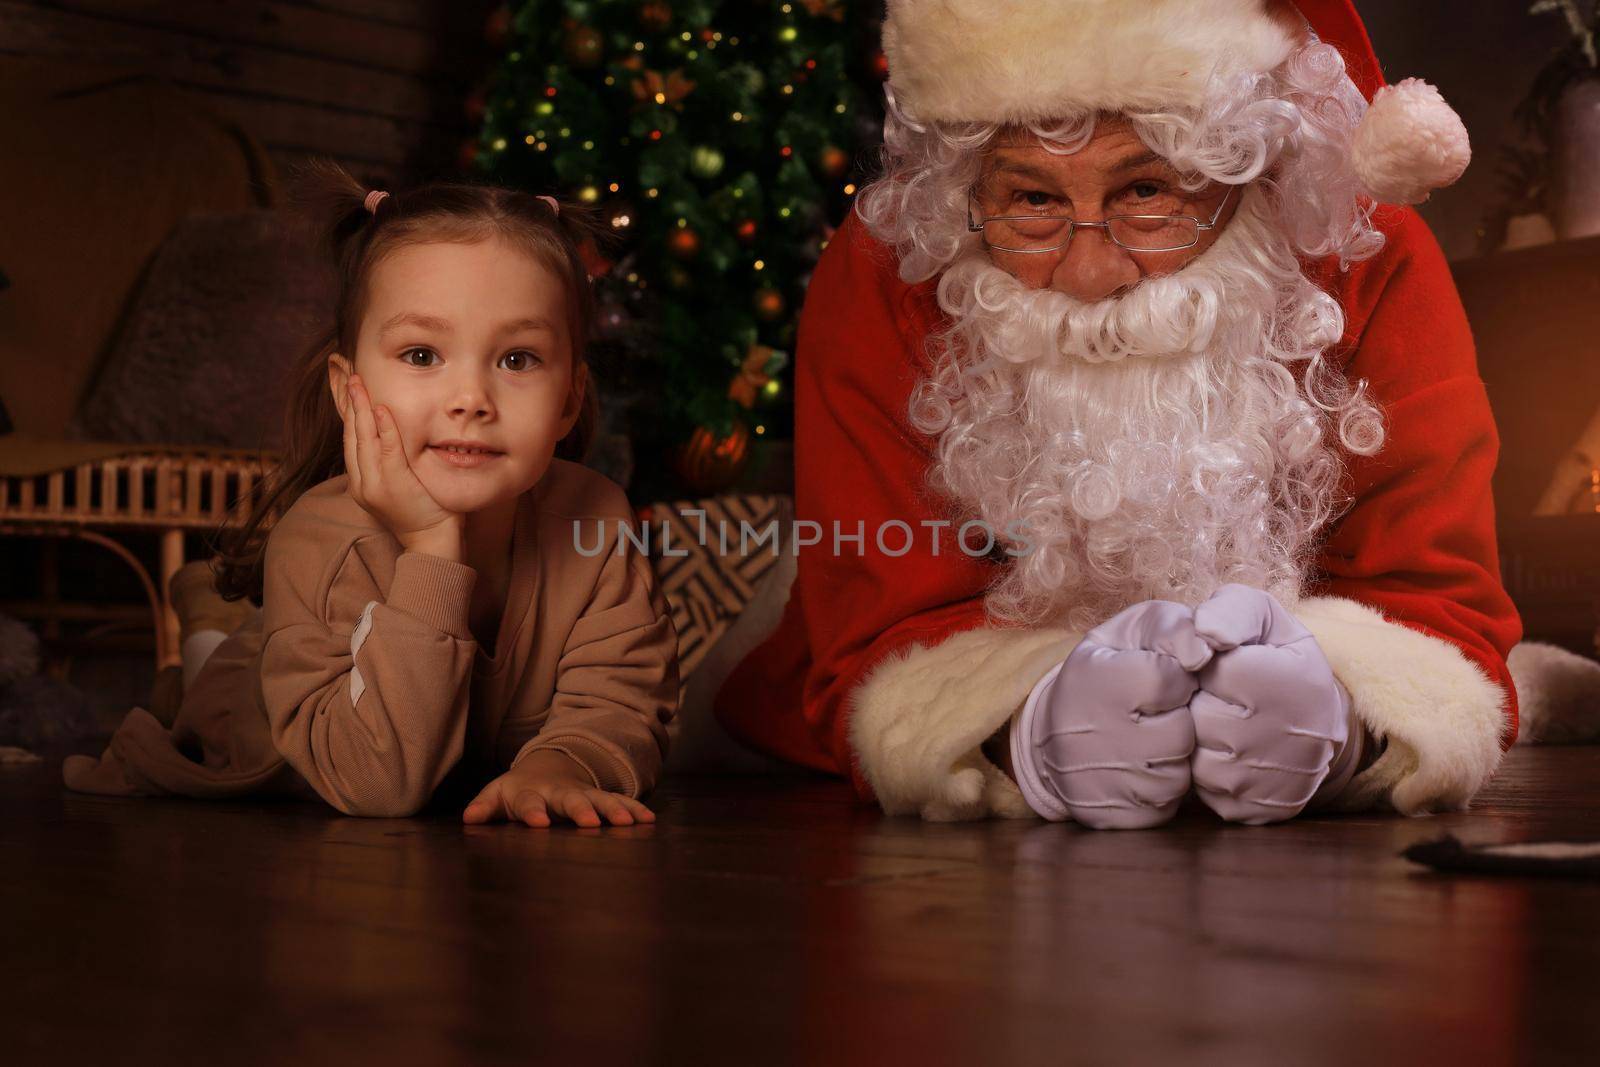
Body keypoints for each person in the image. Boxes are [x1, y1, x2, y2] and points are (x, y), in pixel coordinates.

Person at [716, 0, 1528, 826]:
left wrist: (1350, 720)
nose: (1090, 272)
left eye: (1147, 189)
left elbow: (1437, 600)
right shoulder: (888, 269)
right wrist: (1014, 728)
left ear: (1256, 170)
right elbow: (874, 618)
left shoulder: (1365, 250)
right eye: (1031, 199)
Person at [65, 164, 679, 828]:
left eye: (517, 359)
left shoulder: (596, 520)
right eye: (421, 355)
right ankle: (212, 632)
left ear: (570, 398)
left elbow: (620, 697)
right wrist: (431, 548)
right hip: (257, 722)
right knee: (211, 694)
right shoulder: (321, 539)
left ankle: (226, 622)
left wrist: (564, 764)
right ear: (347, 388)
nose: (470, 399)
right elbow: (378, 784)